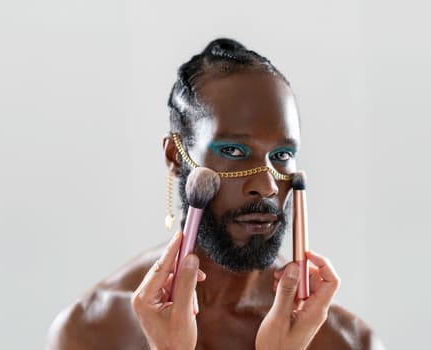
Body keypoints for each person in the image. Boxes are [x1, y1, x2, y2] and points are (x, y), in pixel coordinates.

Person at [45, 38, 386, 350]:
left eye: (282, 156)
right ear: (175, 157)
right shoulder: (93, 330)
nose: (267, 186)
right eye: (235, 151)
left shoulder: (345, 342)